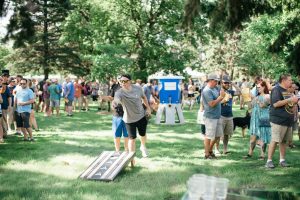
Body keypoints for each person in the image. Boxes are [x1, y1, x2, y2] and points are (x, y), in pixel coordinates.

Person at [113, 74, 151, 166]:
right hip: (129, 119)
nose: (123, 83)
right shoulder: (119, 92)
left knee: (142, 134)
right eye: (121, 81)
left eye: (125, 81)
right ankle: (132, 159)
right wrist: (115, 103)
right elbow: (116, 100)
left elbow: (144, 98)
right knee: (132, 138)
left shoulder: (137, 88)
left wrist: (148, 108)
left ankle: (143, 146)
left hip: (141, 116)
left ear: (130, 81)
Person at [265, 74, 298, 168]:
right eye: (289, 80)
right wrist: (290, 99)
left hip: (287, 120)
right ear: (283, 80)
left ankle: (282, 160)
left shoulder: (287, 91)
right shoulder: (277, 89)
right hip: (278, 120)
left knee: (283, 141)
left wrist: (294, 102)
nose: (291, 82)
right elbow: (275, 104)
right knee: (275, 140)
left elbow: (289, 104)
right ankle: (269, 161)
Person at [215, 75, 241, 154]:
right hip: (221, 115)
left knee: (227, 134)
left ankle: (225, 149)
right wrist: (223, 101)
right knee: (218, 134)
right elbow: (215, 103)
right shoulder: (218, 91)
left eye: (228, 83)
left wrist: (234, 84)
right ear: (222, 83)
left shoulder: (230, 92)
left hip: (229, 116)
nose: (227, 84)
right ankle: (216, 149)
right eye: (225, 82)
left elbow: (240, 92)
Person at [201, 73, 225, 159]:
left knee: (217, 136)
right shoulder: (206, 90)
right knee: (209, 136)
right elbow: (211, 104)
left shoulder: (215, 88)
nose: (217, 83)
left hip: (217, 116)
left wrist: (221, 97)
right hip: (210, 117)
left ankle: (210, 150)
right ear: (211, 81)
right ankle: (207, 154)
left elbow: (219, 97)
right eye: (215, 81)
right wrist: (220, 98)